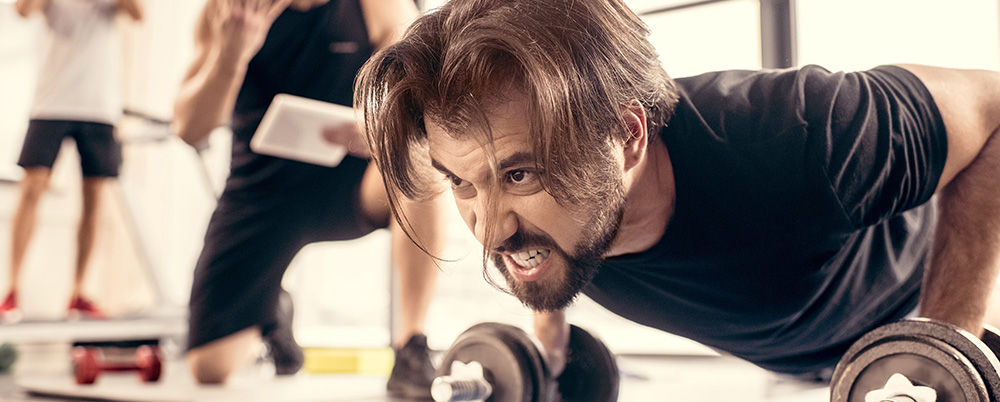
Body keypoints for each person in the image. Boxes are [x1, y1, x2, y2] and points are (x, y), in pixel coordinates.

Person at [357, 0, 1000, 384]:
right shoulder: (562, 220)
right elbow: (528, 235)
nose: (490, 231)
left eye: (522, 174)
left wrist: (943, 340)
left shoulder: (807, 136)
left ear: (627, 137)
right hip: (830, 372)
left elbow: (994, 109)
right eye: (462, 183)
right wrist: (547, 334)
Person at [172, 0, 446, 398]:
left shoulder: (376, 5)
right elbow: (189, 127)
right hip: (261, 193)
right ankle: (271, 314)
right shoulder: (228, 10)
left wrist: (376, 125)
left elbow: (416, 90)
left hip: (351, 182)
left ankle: (412, 347)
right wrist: (232, 55)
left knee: (419, 160)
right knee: (210, 368)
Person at [2, 0, 144, 323]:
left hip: (99, 103)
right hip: (51, 100)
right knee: (31, 190)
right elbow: (23, 11)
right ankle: (11, 291)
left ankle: (78, 293)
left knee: (95, 198)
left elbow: (138, 14)